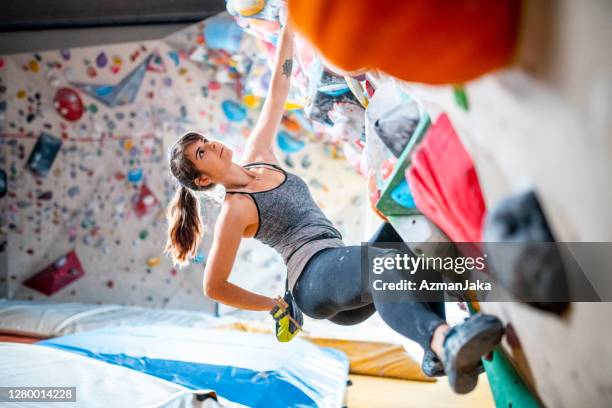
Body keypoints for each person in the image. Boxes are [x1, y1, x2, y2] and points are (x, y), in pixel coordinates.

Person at [164, 21, 503, 394]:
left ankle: (433, 353)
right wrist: (273, 305)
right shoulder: (236, 209)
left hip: (337, 263)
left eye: (205, 141)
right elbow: (214, 286)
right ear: (202, 180)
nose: (211, 146)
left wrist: (289, 30)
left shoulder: (259, 155)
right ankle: (444, 340)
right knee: (382, 265)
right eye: (201, 153)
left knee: (412, 226)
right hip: (312, 281)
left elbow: (278, 88)